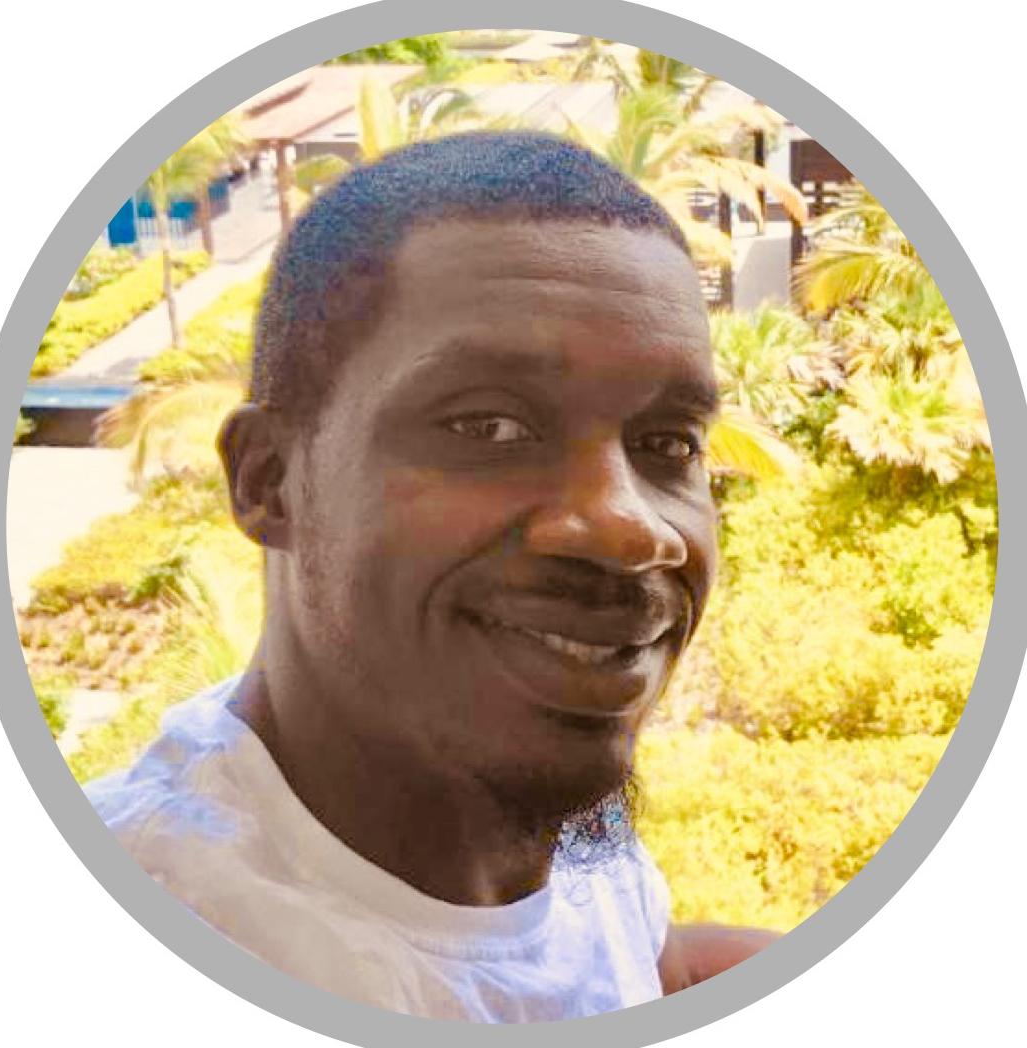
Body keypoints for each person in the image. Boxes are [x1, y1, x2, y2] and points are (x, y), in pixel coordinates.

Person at [86, 131, 777, 1021]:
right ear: (269, 481)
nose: (628, 528)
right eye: (489, 428)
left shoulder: (501, 768)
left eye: (667, 444)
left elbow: (629, 964)